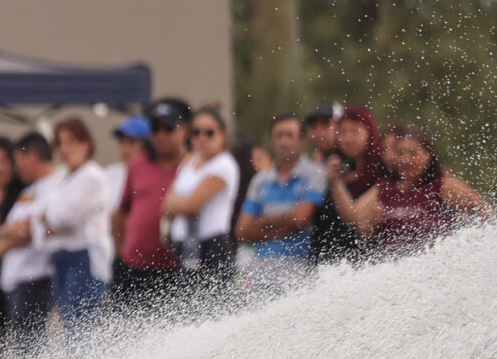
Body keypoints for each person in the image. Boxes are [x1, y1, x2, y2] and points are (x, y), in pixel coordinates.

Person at [353, 124, 489, 255]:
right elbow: (359, 230)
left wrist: (472, 244)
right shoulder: (383, 189)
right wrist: (370, 225)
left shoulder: (443, 185)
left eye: (413, 153)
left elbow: (486, 212)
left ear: (428, 155)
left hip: (436, 263)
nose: (406, 160)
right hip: (393, 265)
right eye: (400, 153)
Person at [37, 117, 117, 336]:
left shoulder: (92, 176)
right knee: (69, 325)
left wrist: (47, 216)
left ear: (86, 143)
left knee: (78, 327)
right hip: (62, 256)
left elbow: (60, 217)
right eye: (60, 143)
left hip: (85, 256)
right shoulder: (65, 179)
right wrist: (48, 216)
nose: (64, 149)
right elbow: (46, 215)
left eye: (70, 141)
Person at [0, 131, 61, 359]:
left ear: (31, 158)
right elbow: (9, 227)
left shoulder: (56, 185)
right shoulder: (29, 191)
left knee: (32, 349)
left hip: (36, 278)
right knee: (23, 347)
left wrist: (7, 239)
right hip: (18, 280)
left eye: (18, 162)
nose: (16, 169)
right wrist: (13, 231)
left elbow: (30, 229)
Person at [111, 99, 188, 313]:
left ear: (182, 131)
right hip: (134, 267)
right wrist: (119, 252)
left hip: (174, 269)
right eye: (155, 129)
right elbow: (122, 210)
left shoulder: (191, 165)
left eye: (168, 129)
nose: (161, 135)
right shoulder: (138, 164)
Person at [236, 112, 327, 283]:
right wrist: (285, 227)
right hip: (261, 269)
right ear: (271, 140)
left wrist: (263, 222)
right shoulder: (260, 180)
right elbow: (242, 230)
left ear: (302, 140)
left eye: (289, 135)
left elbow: (299, 219)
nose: (283, 141)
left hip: (299, 268)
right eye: (278, 135)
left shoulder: (315, 173)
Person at [163, 106, 242, 295]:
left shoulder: (224, 164)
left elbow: (191, 207)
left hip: (211, 246)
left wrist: (178, 203)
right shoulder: (189, 162)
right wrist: (179, 204)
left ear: (222, 135)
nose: (202, 138)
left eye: (209, 132)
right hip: (185, 247)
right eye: (196, 132)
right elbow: (165, 206)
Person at [310, 105, 384, 266]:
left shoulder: (382, 172)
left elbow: (354, 219)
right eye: (342, 132)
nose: (347, 139)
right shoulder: (331, 165)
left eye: (355, 132)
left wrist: (336, 183)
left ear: (370, 134)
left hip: (364, 264)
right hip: (326, 261)